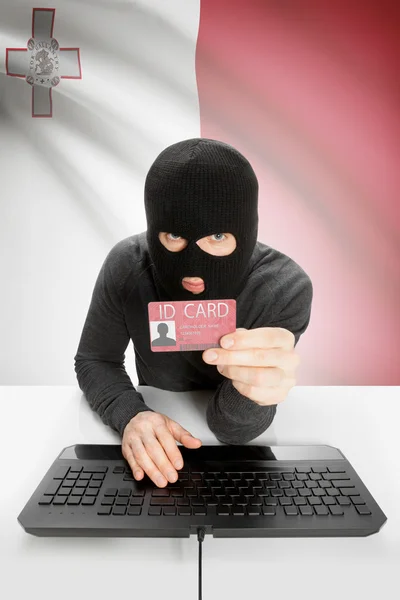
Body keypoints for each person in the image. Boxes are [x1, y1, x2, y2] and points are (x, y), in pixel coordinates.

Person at [74, 138, 313, 489]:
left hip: (241, 458)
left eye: (217, 235)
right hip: (153, 445)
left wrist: (253, 391)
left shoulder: (282, 287)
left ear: (245, 232)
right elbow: (94, 359)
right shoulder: (127, 264)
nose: (192, 267)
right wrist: (131, 415)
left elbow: (232, 430)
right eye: (173, 235)